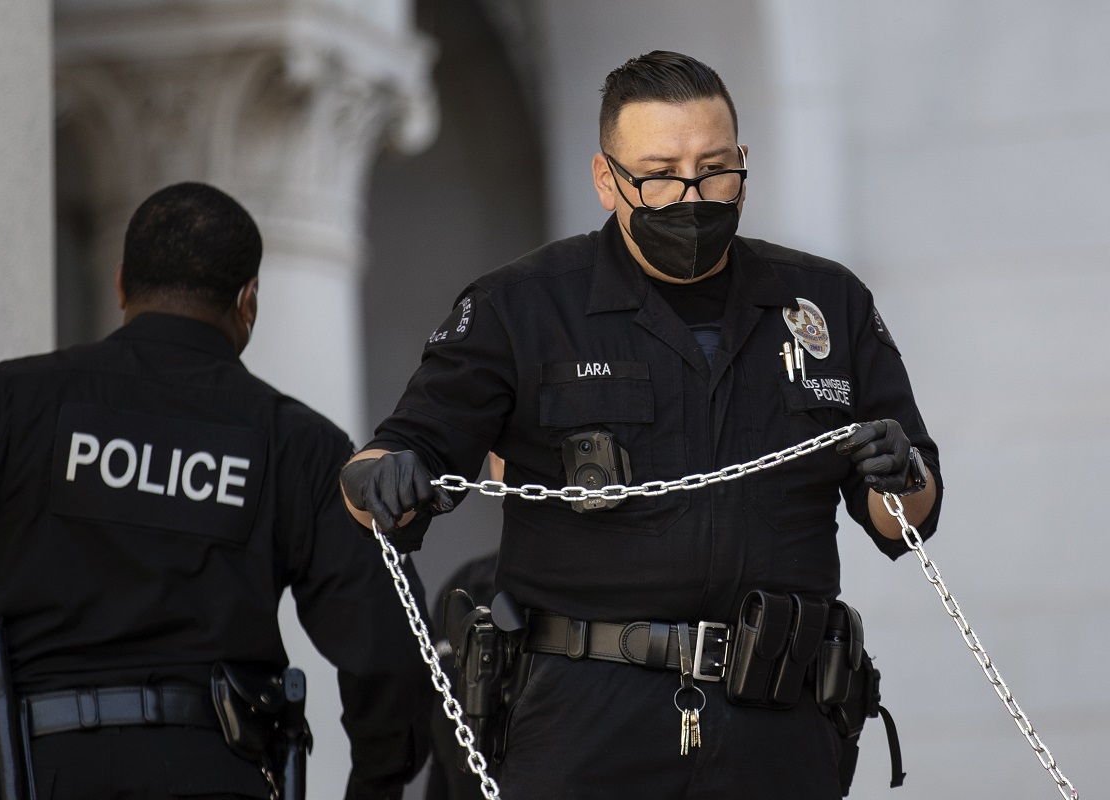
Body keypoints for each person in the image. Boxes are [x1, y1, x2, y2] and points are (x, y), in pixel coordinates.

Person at [339, 51, 943, 799]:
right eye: (659, 174)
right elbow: (391, 459)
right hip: (586, 720)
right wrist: (379, 476)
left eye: (716, 168)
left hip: (780, 722)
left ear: (743, 164)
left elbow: (903, 522)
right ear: (607, 180)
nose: (691, 195)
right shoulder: (521, 308)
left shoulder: (825, 305)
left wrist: (903, 474)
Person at [0, 182, 432, 799]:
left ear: (122, 284)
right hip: (213, 773)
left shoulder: (8, 402)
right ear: (248, 302)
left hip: (37, 772)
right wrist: (377, 783)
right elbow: (390, 648)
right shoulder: (299, 444)